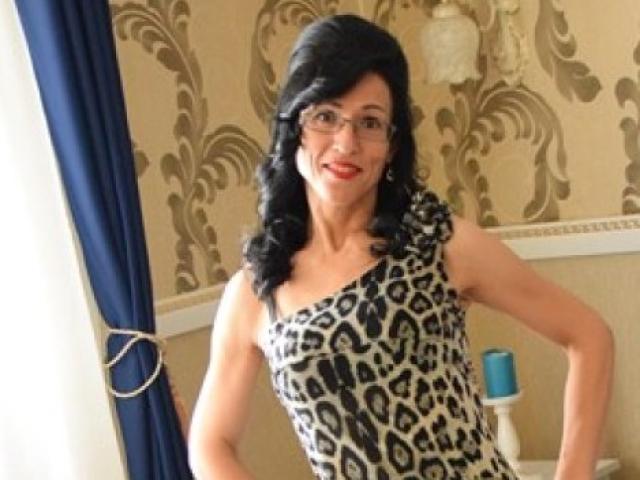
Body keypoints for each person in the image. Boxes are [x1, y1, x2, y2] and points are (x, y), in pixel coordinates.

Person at [188, 14, 614, 480]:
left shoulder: (437, 242)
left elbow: (589, 336)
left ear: (391, 145)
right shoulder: (256, 290)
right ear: (295, 126)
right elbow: (210, 444)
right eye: (326, 116)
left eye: (370, 122)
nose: (346, 142)